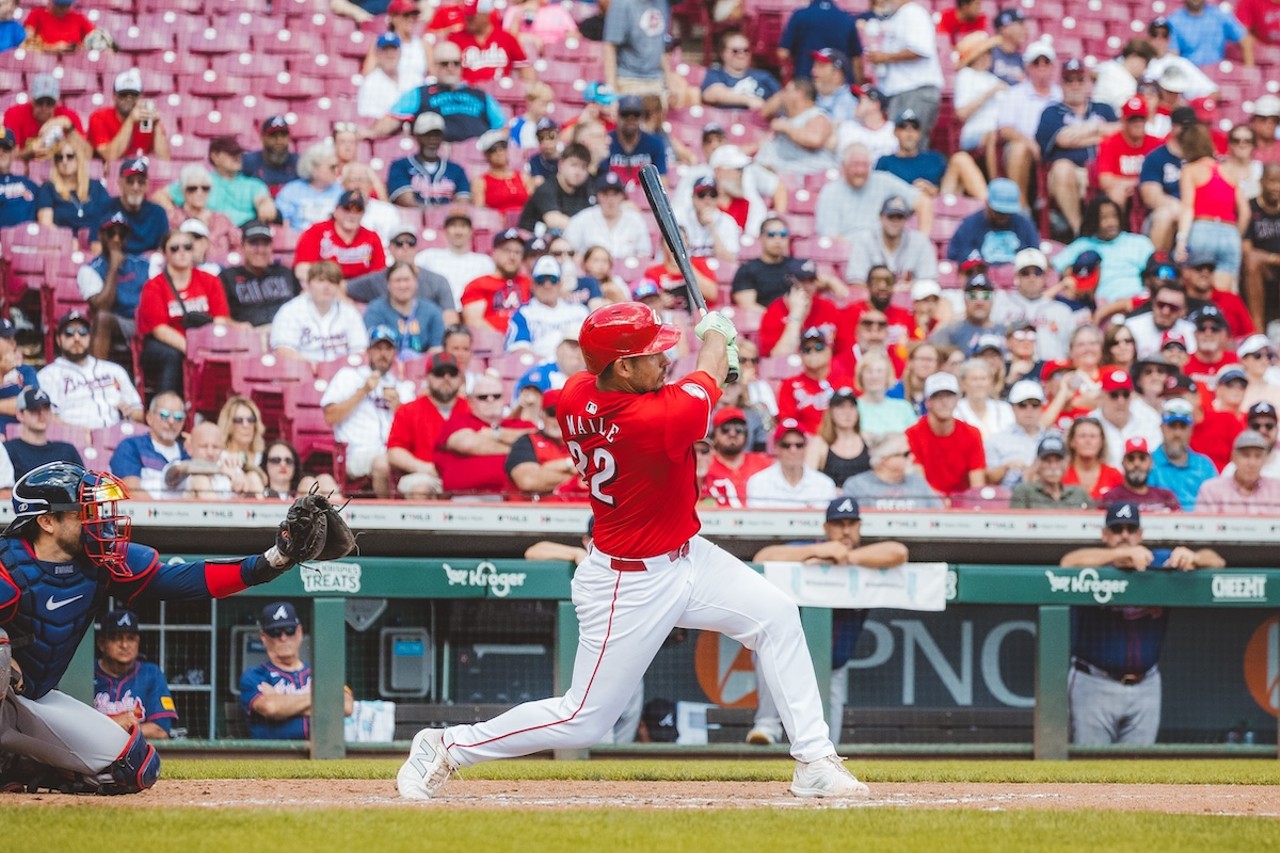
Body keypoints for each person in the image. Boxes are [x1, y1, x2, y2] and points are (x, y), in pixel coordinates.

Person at [397, 302, 869, 799]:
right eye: (653, 353)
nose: (665, 357)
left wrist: (714, 362)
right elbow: (699, 384)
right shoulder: (653, 421)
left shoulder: (578, 393)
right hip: (630, 581)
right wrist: (714, 340)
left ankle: (814, 760)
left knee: (777, 616)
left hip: (687, 556)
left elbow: (692, 384)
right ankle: (446, 746)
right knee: (582, 720)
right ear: (621, 367)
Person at [0, 459, 337, 793]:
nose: (97, 519)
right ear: (46, 521)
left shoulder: (100, 562)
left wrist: (271, 561)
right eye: (83, 511)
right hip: (7, 697)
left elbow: (180, 579)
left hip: (33, 701)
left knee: (133, 768)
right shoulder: (8, 563)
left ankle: (22, 762)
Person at [747, 496, 909, 746]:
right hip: (790, 656)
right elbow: (762, 557)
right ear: (826, 528)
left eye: (851, 523)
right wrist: (817, 551)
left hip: (833, 664)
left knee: (828, 743)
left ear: (859, 527)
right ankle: (767, 726)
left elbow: (899, 551)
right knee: (767, 652)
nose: (845, 530)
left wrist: (846, 558)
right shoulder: (810, 548)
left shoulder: (869, 556)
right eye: (838, 523)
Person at [1060, 502, 1224, 746]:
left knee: (1139, 771)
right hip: (1094, 683)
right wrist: (1120, 554)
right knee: (1088, 770)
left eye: (1130, 529)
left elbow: (1217, 561)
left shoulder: (1157, 561)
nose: (1124, 535)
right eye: (1117, 530)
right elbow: (1068, 562)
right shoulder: (1095, 563)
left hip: (1145, 684)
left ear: (1140, 535)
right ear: (1105, 535)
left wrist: (1194, 557)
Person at [319, 327, 414, 498]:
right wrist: (362, 392)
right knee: (382, 462)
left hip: (395, 454)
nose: (382, 354)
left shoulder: (404, 387)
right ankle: (388, 517)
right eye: (378, 348)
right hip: (357, 453)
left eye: (388, 349)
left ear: (395, 353)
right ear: (368, 351)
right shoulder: (349, 376)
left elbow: (417, 432)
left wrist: (400, 409)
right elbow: (330, 416)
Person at [240, 602, 354, 740]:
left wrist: (282, 700)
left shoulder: (321, 674)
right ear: (264, 637)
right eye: (275, 632)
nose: (283, 638)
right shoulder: (254, 676)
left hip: (319, 754)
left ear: (299, 632)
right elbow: (272, 707)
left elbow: (346, 706)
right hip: (273, 755)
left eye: (289, 630)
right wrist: (323, 698)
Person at [136, 230, 231, 395]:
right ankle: (167, 407)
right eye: (174, 248)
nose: (181, 252)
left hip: (204, 341)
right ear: (165, 253)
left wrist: (206, 348)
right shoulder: (153, 286)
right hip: (165, 344)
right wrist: (191, 349)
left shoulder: (210, 281)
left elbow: (220, 320)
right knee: (172, 355)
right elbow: (160, 330)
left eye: (187, 247)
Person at [1036, 59, 1119, 239]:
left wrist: (1087, 130)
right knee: (1062, 167)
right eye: (1069, 80)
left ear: (1087, 82)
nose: (1075, 85)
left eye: (1080, 79)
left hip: (1104, 169)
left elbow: (1121, 130)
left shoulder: (1103, 108)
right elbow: (1064, 139)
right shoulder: (1051, 112)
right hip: (1071, 172)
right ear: (1062, 84)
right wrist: (1100, 132)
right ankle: (1079, 231)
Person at [370, 40, 507, 144]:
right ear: (434, 66)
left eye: (455, 63)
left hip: (478, 155)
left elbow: (502, 129)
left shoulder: (480, 95)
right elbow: (391, 120)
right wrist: (370, 133)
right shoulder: (420, 93)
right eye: (444, 63)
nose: (451, 68)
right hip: (437, 151)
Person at [36, 310, 143, 430]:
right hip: (74, 440)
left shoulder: (114, 370)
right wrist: (79, 433)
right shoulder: (48, 375)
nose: (77, 338)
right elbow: (48, 418)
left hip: (117, 436)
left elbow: (139, 413)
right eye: (69, 333)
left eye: (83, 332)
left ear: (90, 337)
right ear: (58, 340)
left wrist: (130, 413)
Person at [1176, 123, 1248, 293]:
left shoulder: (1190, 170)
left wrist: (1181, 240)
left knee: (1197, 291)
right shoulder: (1228, 170)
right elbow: (1245, 212)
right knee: (1225, 296)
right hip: (1230, 233)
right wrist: (1236, 235)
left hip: (1202, 229)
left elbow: (1187, 207)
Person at [386, 352, 469, 499]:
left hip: (465, 475)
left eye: (452, 373)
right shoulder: (409, 410)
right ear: (427, 377)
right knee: (420, 488)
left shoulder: (472, 409)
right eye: (439, 373)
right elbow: (394, 452)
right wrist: (424, 467)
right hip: (423, 474)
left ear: (461, 378)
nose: (446, 379)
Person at [434, 374, 533, 495]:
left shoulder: (521, 425)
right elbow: (467, 444)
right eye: (483, 397)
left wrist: (496, 434)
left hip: (516, 501)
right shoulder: (459, 420)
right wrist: (520, 449)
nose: (490, 400)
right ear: (470, 402)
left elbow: (538, 443)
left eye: (496, 396)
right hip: (464, 500)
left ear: (504, 399)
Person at [865, 0, 944, 143]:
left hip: (916, 90)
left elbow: (920, 49)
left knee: (910, 146)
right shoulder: (899, 16)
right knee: (900, 146)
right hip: (903, 92)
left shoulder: (912, 12)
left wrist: (884, 57)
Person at [92, 608, 176, 741]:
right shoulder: (85, 673)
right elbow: (70, 727)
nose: (125, 645)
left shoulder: (151, 674)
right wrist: (117, 723)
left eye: (131, 639)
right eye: (116, 638)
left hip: (135, 756)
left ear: (138, 642)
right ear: (102, 643)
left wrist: (109, 729)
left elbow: (160, 730)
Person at [996, 43, 1062, 207]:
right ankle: (1020, 207)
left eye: (1046, 62)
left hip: (1056, 147)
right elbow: (1005, 129)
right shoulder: (1015, 93)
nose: (1041, 66)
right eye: (1036, 62)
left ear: (1053, 66)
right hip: (1026, 144)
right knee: (1019, 149)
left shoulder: (1060, 94)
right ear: (1027, 67)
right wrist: (1029, 142)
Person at [905, 371, 985, 496]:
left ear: (957, 400)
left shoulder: (972, 434)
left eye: (949, 396)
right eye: (937, 396)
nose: (944, 402)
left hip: (963, 503)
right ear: (928, 402)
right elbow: (919, 484)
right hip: (927, 503)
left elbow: (977, 485)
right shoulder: (913, 434)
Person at [218, 220, 300, 332]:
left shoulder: (285, 273)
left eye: (265, 244)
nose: (260, 250)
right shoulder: (227, 277)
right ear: (242, 246)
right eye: (254, 243)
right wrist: (235, 326)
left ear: (271, 247)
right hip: (249, 337)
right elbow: (219, 318)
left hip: (289, 332)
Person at [293, 190, 386, 282]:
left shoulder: (371, 237)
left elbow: (379, 274)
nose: (352, 215)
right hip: (325, 288)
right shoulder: (316, 232)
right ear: (336, 211)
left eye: (358, 210)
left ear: (363, 214)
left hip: (361, 291)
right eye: (347, 209)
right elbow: (302, 269)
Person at [361, 258, 449, 356]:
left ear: (416, 282)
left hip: (423, 367)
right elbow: (373, 349)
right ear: (388, 284)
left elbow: (437, 349)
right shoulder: (375, 310)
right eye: (397, 281)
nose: (403, 285)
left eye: (407, 280)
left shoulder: (432, 311)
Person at [946, 178, 1039, 266]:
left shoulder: (1024, 225)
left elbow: (1036, 257)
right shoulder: (969, 225)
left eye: (1007, 212)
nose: (1003, 216)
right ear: (988, 204)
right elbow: (954, 258)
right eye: (998, 212)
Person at [388, 113, 471, 209]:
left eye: (436, 135)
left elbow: (463, 203)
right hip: (413, 221)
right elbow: (407, 202)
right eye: (427, 135)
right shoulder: (400, 166)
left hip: (448, 221)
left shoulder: (456, 169)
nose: (432, 140)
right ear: (417, 136)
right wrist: (435, 212)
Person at [1147, 398, 1218, 510]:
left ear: (1191, 429)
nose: (1177, 433)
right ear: (1162, 428)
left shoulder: (1205, 466)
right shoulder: (1148, 463)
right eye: (1172, 426)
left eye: (1183, 427)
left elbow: (1216, 505)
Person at [564, 171, 651, 261]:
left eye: (615, 194)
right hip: (591, 273)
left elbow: (644, 255)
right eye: (605, 194)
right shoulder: (582, 219)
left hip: (628, 272)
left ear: (622, 196)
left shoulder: (635, 220)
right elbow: (568, 251)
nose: (610, 200)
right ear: (597, 196)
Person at [0, 389, 82, 484]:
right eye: (34, 409)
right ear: (20, 414)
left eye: (46, 408)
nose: (41, 414)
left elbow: (85, 486)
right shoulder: (7, 450)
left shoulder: (67, 450)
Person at [34, 132, 109, 236]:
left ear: (79, 159)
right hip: (61, 245)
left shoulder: (96, 187)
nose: (64, 161)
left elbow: (108, 218)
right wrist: (67, 241)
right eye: (59, 157)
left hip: (94, 244)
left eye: (70, 156)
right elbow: (46, 224)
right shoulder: (48, 188)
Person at [842, 431, 943, 508]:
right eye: (905, 454)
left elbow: (938, 516)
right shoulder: (857, 486)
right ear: (885, 459)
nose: (911, 457)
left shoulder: (918, 483)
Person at [1194, 429, 1280, 513]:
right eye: (1246, 455)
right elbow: (1205, 525)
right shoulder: (1211, 490)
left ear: (1265, 459)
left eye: (1258, 456)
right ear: (1233, 457)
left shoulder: (1277, 489)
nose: (1252, 463)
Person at [3, 73, 84, 161]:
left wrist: (70, 128)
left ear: (57, 102)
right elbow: (6, 157)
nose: (44, 108)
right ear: (32, 100)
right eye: (40, 102)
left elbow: (85, 154)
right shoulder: (15, 114)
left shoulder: (69, 116)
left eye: (49, 102)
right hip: (24, 171)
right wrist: (30, 152)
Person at [777, 0, 862, 84]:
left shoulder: (800, 15)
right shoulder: (847, 18)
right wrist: (857, 85)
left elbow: (783, 52)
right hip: (838, 83)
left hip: (807, 82)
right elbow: (856, 60)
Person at [703, 407, 772, 508]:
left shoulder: (764, 463)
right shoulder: (704, 463)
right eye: (725, 429)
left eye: (739, 429)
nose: (732, 434)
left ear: (746, 434)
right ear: (714, 434)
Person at [517, 143, 595, 232]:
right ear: (561, 164)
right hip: (533, 240)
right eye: (574, 165)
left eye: (583, 167)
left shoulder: (587, 189)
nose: (578, 172)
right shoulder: (546, 188)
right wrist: (588, 229)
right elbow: (553, 220)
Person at [701, 29, 783, 112]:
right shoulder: (715, 74)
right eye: (735, 51)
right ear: (723, 53)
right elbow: (712, 94)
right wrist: (748, 100)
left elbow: (781, 98)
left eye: (746, 50)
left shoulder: (764, 76)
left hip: (758, 122)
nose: (741, 55)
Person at [1243, 163, 1280, 331]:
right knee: (1252, 261)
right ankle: (1257, 330)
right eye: (1272, 181)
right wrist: (1270, 259)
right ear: (1262, 181)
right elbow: (1246, 250)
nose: (1276, 187)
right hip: (1262, 270)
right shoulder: (1250, 208)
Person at [1168, 0, 1252, 67]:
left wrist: (1248, 71)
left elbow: (1244, 40)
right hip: (1189, 74)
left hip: (1217, 74)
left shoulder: (1219, 15)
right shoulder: (1174, 21)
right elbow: (1173, 56)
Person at [1062, 415, 1123, 501]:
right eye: (1082, 436)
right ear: (1072, 441)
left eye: (1093, 436)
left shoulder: (1114, 476)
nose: (1088, 441)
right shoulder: (1062, 475)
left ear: (1101, 442)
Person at [242, 116, 299, 197]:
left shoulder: (299, 163)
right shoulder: (248, 161)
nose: (279, 141)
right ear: (263, 137)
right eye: (273, 136)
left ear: (289, 137)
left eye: (283, 136)